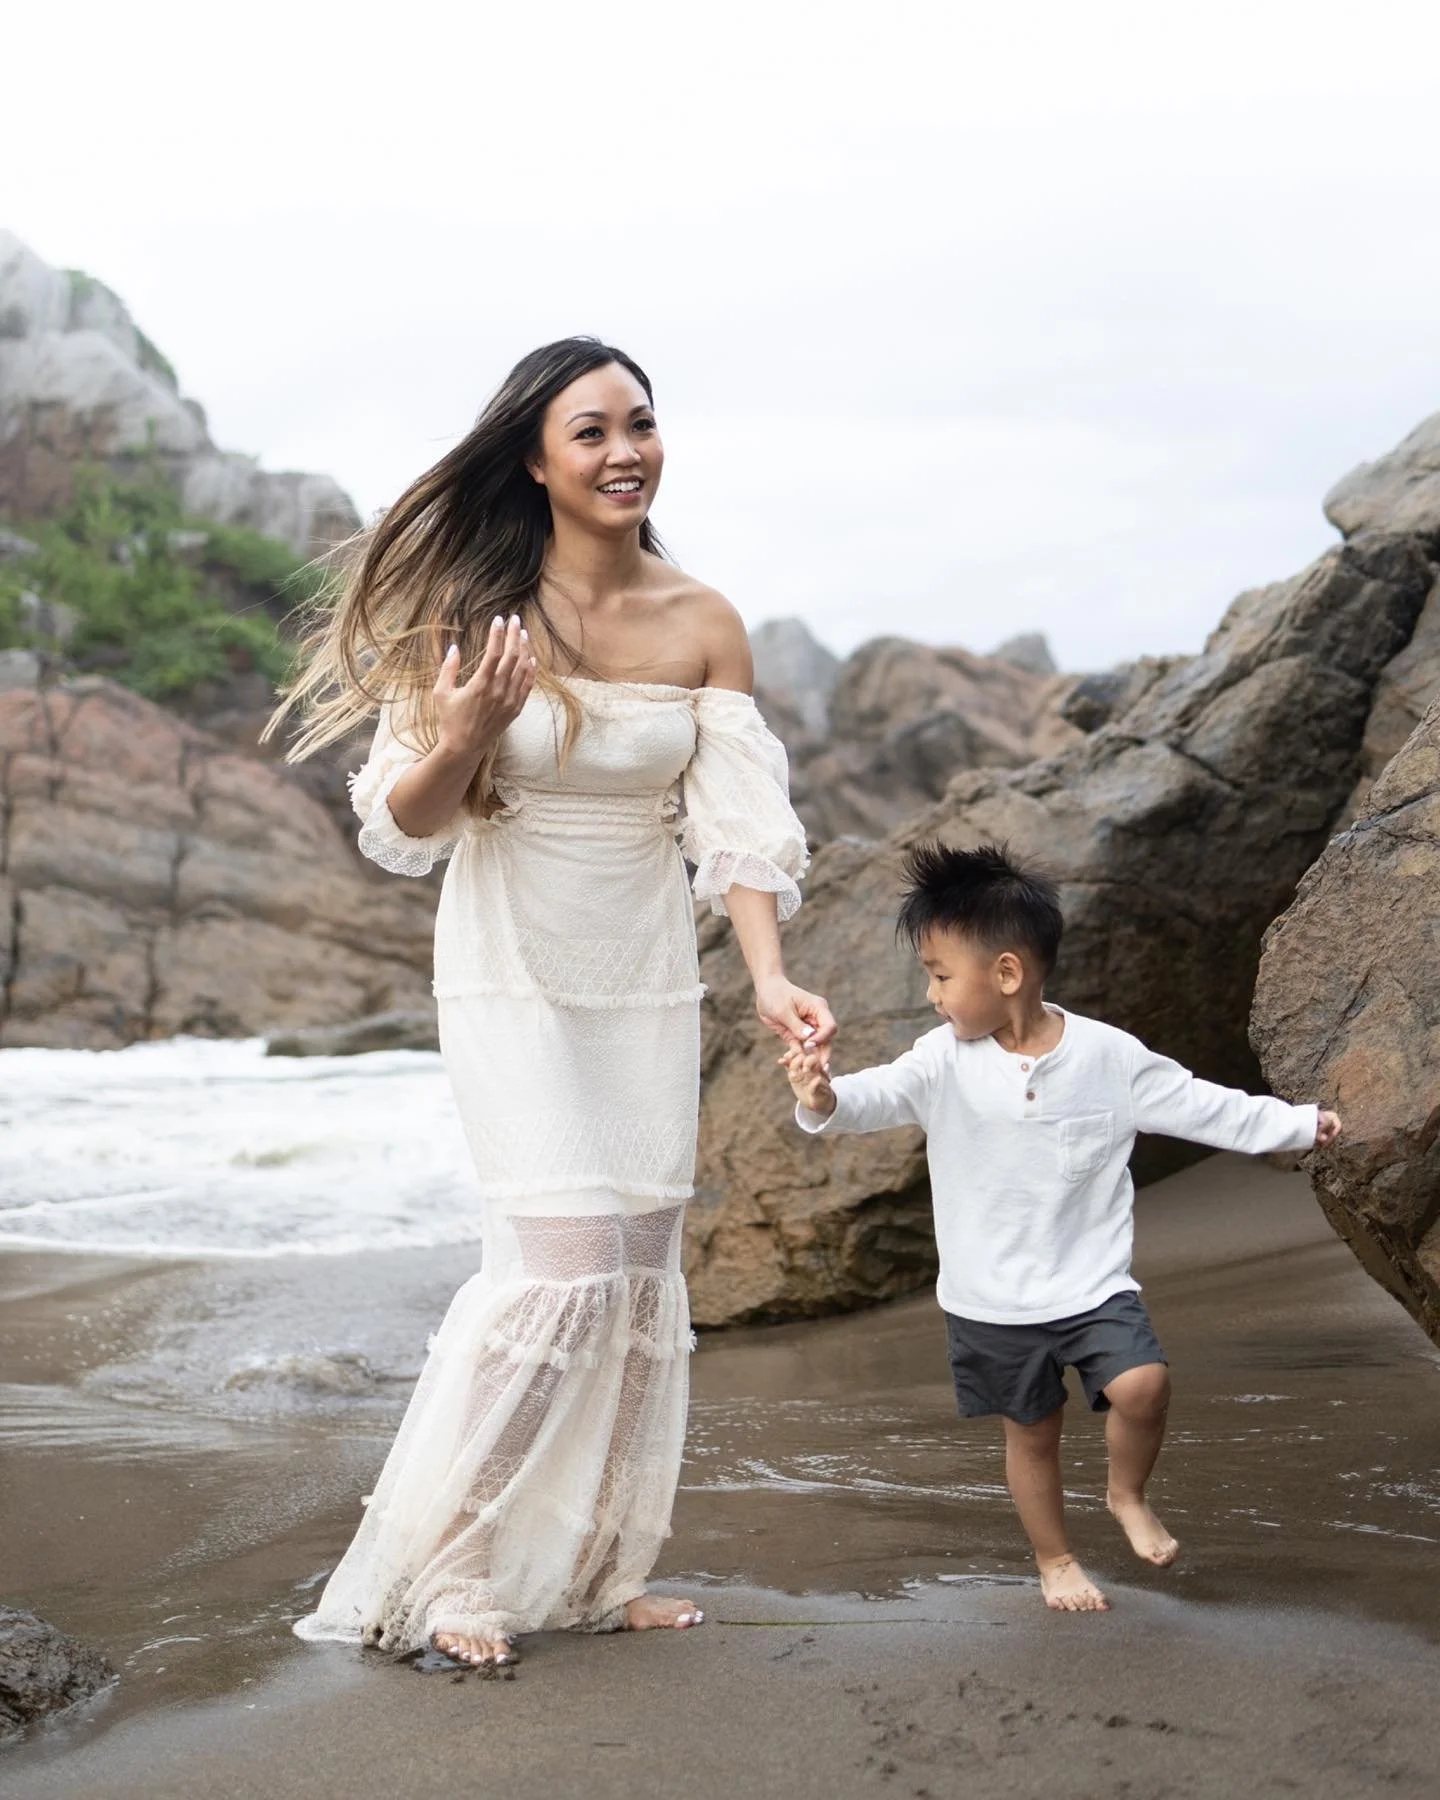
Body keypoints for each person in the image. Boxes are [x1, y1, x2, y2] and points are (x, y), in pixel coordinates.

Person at [270, 336, 835, 1668]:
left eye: (641, 422)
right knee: (562, 1277)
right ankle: (452, 1571)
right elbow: (399, 828)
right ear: (533, 456)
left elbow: (740, 828)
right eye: (592, 430)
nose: (627, 448)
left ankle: (589, 1571)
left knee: (642, 1281)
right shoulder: (475, 612)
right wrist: (465, 731)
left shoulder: (704, 620)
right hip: (510, 969)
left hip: (643, 976)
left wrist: (768, 980)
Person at [781, 840, 1340, 1614]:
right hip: (992, 1301)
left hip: (1092, 1284)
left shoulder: (1108, 1057)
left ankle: (1126, 1494)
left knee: (1144, 1386)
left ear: (1006, 973)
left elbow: (1203, 1104)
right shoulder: (940, 1061)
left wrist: (1299, 1124)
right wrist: (821, 1096)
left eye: (942, 976)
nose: (935, 996)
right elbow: (869, 1098)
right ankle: (1056, 1560)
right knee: (1032, 1434)